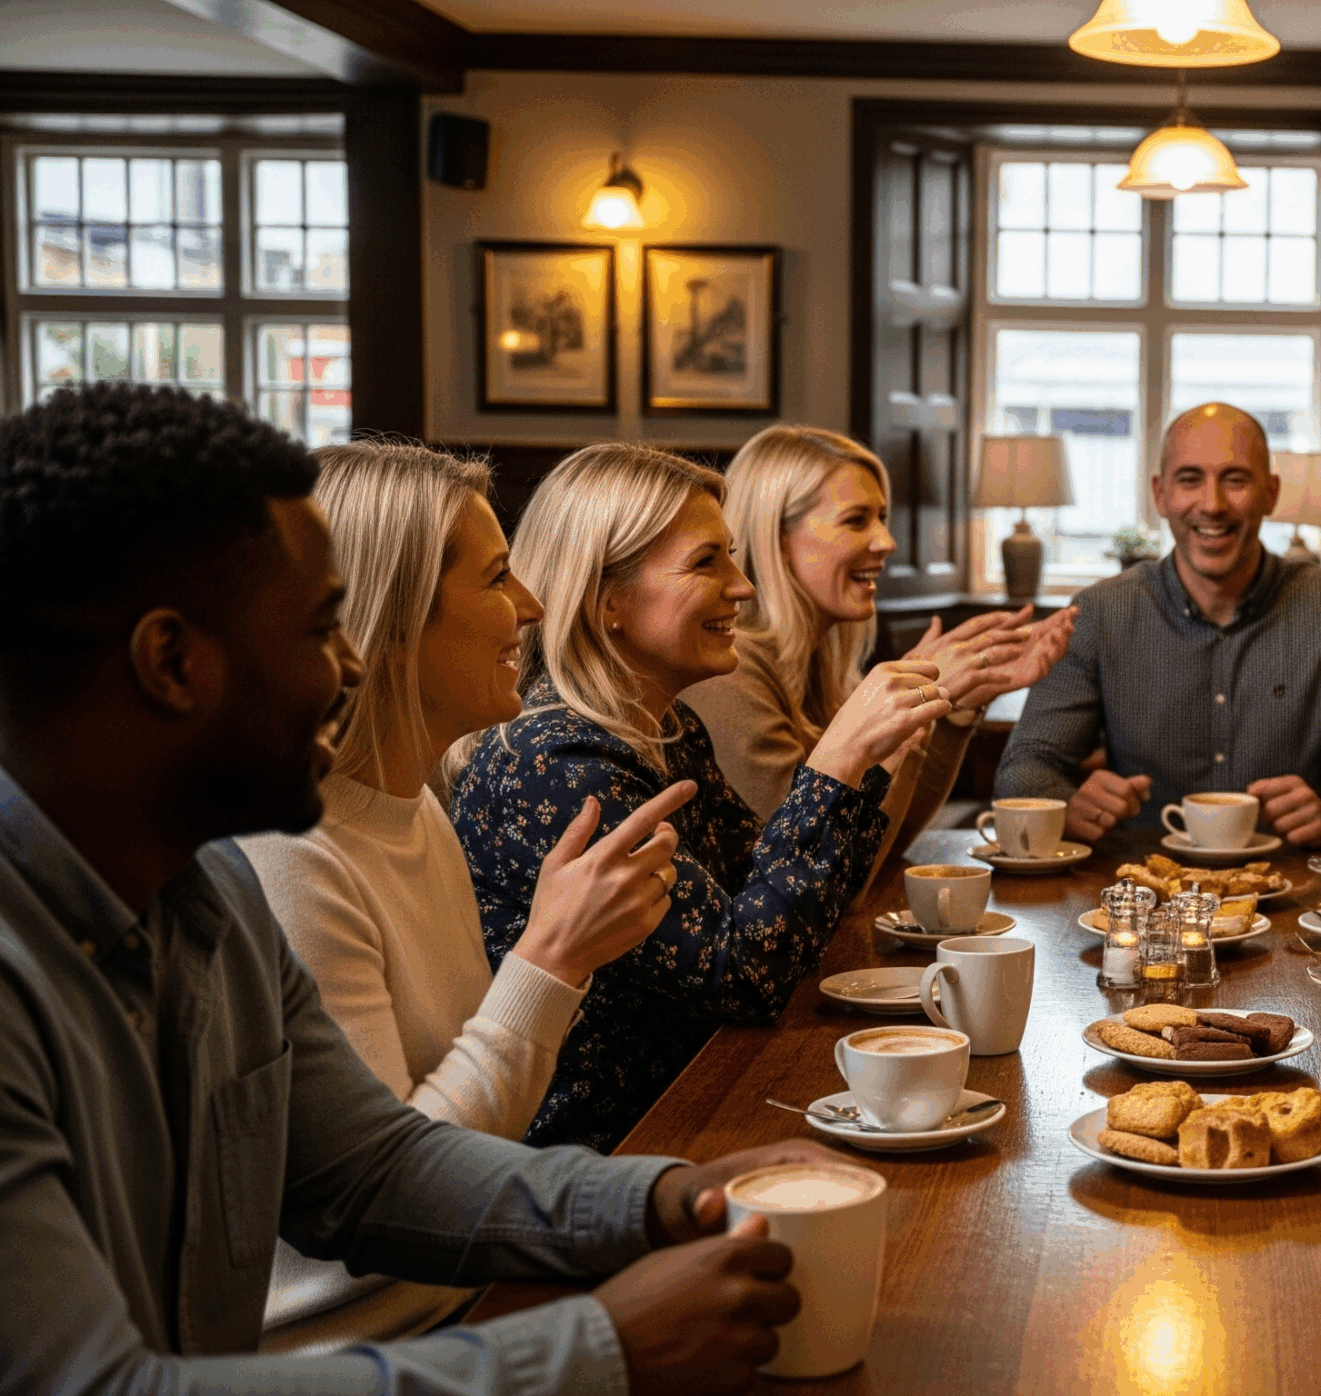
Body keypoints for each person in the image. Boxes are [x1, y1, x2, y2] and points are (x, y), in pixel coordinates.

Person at [0, 383, 863, 1392]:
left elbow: (372, 1168)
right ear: (171, 662)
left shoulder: (211, 890)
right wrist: (599, 1347)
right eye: (319, 626)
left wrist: (658, 1197)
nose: (353, 662)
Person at [239, 442, 697, 1350]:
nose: (530, 606)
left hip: (471, 1293)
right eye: (497, 578)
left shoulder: (417, 808)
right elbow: (388, 1210)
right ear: (391, 617)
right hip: (373, 1344)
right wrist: (550, 960)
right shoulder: (292, 856)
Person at [452, 443, 957, 1153]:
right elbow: (743, 974)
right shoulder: (560, 764)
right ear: (609, 602)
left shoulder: (665, 726)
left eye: (733, 557)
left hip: (696, 1100)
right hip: (602, 1154)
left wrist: (871, 759)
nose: (743, 587)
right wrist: (837, 763)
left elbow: (773, 894)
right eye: (706, 562)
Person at [993, 402, 1321, 848]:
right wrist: (1065, 805)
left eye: (1236, 480)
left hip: (1290, 883)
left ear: (1270, 493)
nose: (1213, 505)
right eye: (1190, 479)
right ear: (1160, 494)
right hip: (1136, 889)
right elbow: (1025, 767)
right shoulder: (1098, 614)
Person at [683, 425, 1074, 861]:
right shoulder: (732, 675)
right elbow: (825, 874)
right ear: (778, 539)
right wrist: (918, 702)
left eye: (882, 518)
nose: (887, 542)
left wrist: (951, 713)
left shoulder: (820, 669)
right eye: (855, 520)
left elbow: (885, 847)